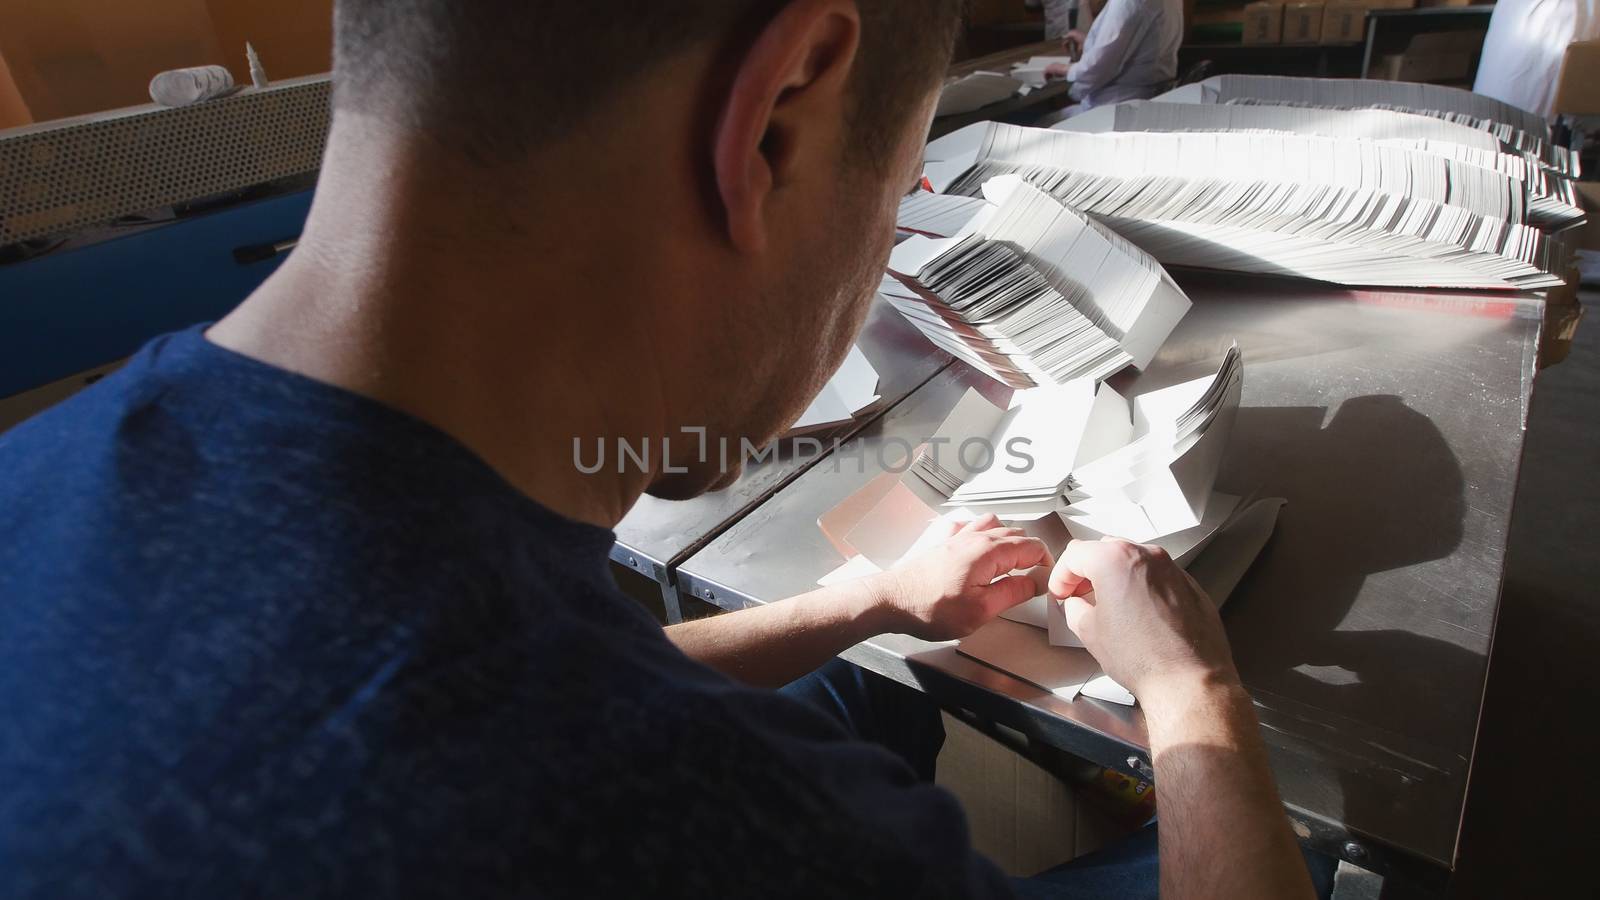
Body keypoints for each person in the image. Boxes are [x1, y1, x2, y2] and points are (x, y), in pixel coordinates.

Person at [0, 1, 1324, 897]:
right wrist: (1187, 692)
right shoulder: (679, 813)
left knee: (865, 684)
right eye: (899, 192)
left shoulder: (48, 476)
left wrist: (861, 600)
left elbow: (527, 673)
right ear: (773, 122)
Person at [1042, 0, 1184, 117]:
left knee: (1044, 123)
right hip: (1148, 101)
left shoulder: (1127, 3)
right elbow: (1140, 46)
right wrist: (1090, 42)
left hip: (1117, 109)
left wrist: (1065, 69)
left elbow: (1098, 67)